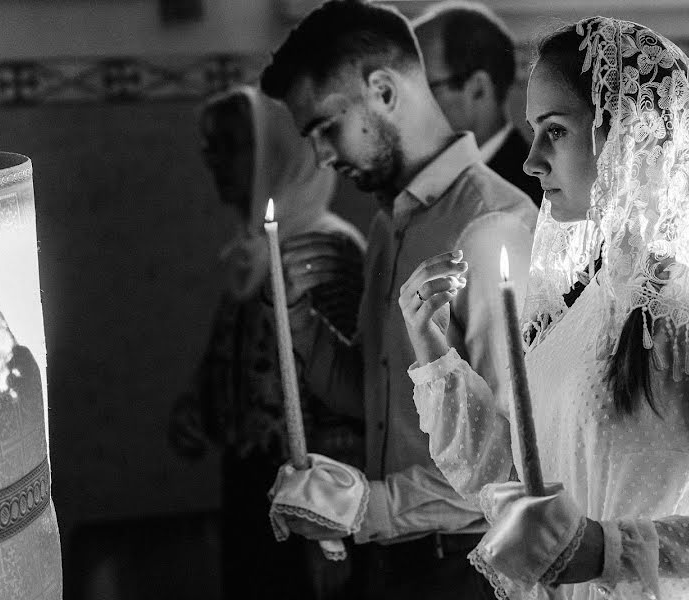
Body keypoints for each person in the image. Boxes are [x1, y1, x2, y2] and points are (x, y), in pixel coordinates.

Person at [398, 18, 689, 600]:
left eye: (553, 131)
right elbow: (521, 483)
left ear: (627, 134)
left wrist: (613, 550)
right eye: (534, 131)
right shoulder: (581, 296)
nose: (531, 161)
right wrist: (434, 353)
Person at [258, 2, 538, 599]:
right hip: (396, 564)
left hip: (472, 566)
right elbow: (376, 399)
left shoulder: (491, 228)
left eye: (325, 128)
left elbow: (512, 459)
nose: (321, 157)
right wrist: (298, 321)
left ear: (382, 91)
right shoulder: (391, 225)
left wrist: (369, 506)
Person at [168, 85, 365, 600]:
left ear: (276, 153)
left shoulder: (327, 250)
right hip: (248, 483)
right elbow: (237, 356)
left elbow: (347, 395)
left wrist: (333, 533)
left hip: (308, 496)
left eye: (230, 145)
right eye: (210, 146)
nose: (213, 160)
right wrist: (200, 408)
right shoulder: (251, 249)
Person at [413, 1, 541, 205]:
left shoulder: (534, 194)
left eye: (422, 87)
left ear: (478, 88)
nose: (409, 104)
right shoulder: (421, 185)